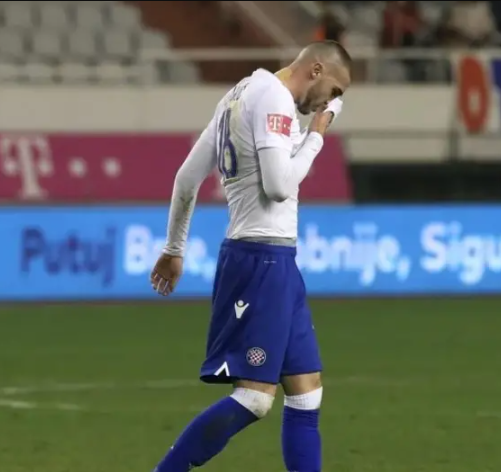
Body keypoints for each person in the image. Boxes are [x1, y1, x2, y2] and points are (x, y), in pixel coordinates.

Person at [149, 40, 352, 472]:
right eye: (334, 91)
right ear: (316, 69)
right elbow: (278, 186)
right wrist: (317, 135)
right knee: (255, 398)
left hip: (277, 261)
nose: (330, 102)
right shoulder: (274, 98)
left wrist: (173, 248)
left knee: (307, 390)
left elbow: (186, 177)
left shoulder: (239, 94)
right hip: (260, 261)